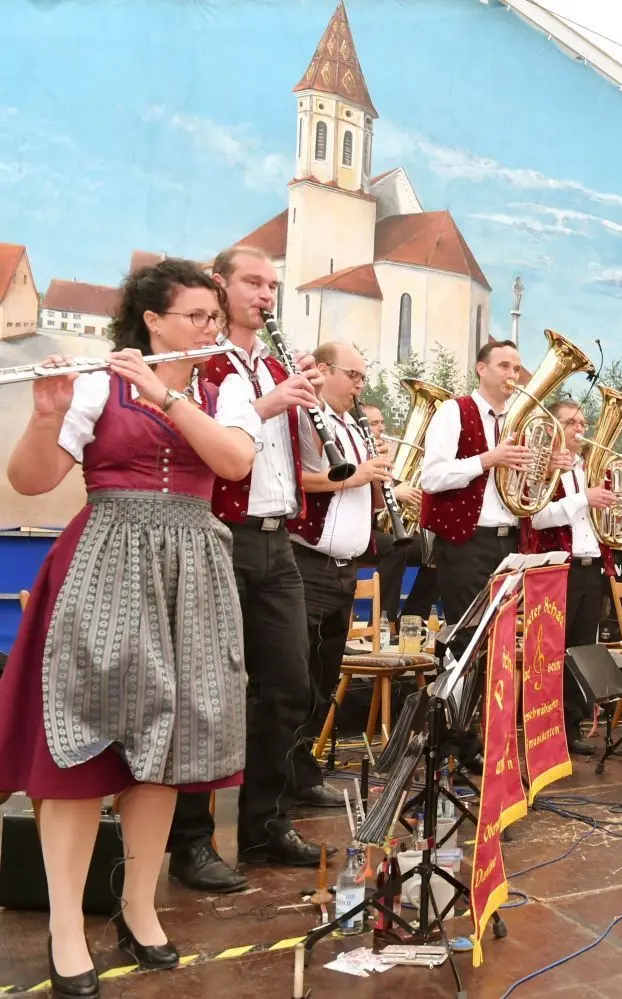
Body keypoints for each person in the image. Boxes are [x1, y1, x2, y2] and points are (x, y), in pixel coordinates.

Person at [0, 259, 261, 993]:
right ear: (152, 322)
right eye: (197, 318)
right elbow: (32, 480)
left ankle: (139, 907)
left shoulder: (226, 384)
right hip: (107, 560)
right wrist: (48, 414)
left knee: (168, 748)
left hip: (193, 571)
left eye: (216, 318)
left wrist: (167, 397)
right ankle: (63, 926)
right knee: (82, 751)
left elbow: (234, 460)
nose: (212, 330)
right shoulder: (95, 382)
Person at [168, 246, 327, 894]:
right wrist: (271, 402)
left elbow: (304, 455)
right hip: (219, 535)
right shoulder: (204, 365)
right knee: (210, 695)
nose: (266, 294)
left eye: (272, 284)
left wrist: (310, 409)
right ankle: (190, 841)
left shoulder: (272, 365)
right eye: (253, 282)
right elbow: (213, 440)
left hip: (277, 539)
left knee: (291, 684)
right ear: (221, 286)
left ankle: (263, 823)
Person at [287, 343, 393, 793]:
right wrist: (358, 476)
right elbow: (299, 479)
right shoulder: (309, 417)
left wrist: (379, 480)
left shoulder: (352, 425)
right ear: (324, 370)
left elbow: (358, 491)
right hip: (309, 562)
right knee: (299, 677)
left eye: (362, 377)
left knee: (327, 676)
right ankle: (289, 777)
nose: (359, 385)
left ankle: (306, 770)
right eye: (353, 375)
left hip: (345, 567)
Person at [525, 399, 622, 754]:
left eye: (583, 422)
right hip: (560, 569)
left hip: (593, 569)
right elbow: (536, 517)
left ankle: (571, 726)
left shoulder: (591, 469)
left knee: (582, 650)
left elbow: (612, 522)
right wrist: (582, 499)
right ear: (553, 428)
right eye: (571, 423)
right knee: (552, 650)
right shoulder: (541, 468)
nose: (581, 430)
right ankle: (544, 725)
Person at [419, 340, 533, 637]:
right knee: (470, 639)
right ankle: (460, 685)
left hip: (509, 543)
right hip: (465, 541)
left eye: (517, 368)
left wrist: (542, 472)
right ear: (481, 369)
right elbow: (431, 477)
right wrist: (487, 460)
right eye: (504, 366)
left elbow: (526, 491)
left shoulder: (520, 423)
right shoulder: (452, 411)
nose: (513, 375)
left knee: (503, 638)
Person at [363, 402, 434, 627]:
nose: (381, 428)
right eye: (374, 424)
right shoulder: (355, 453)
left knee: (436, 552)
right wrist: (395, 493)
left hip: (379, 531)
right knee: (397, 546)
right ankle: (382, 621)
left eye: (382, 422)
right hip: (358, 531)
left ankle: (413, 618)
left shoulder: (383, 456)